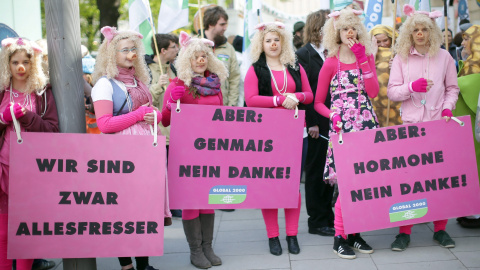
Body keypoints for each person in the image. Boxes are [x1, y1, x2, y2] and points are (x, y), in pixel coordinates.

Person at [91, 26, 167, 270]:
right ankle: (126, 266)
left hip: (146, 147)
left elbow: (147, 111)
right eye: (125, 50)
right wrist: (138, 115)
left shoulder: (139, 80)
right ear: (111, 53)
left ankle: (144, 264)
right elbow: (104, 124)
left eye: (134, 48)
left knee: (144, 207)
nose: (131, 53)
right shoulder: (104, 84)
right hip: (120, 152)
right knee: (122, 211)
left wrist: (152, 114)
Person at [387, 5, 460, 251]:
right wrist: (411, 87)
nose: (420, 33)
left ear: (432, 31)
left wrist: (449, 107)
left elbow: (452, 88)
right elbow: (392, 92)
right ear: (409, 32)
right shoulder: (401, 58)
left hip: (440, 125)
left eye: (424, 29)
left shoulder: (445, 56)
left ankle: (440, 230)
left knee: (440, 181)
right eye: (415, 29)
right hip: (412, 127)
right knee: (409, 182)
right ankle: (404, 233)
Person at [244, 22, 314, 256]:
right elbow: (251, 99)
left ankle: (292, 235)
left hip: (296, 132)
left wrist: (296, 96)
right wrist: (278, 100)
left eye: (277, 39)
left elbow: (310, 95)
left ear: (283, 41)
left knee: (292, 186)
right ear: (261, 44)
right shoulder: (255, 69)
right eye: (268, 40)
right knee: (270, 186)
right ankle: (273, 236)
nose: (273, 44)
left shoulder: (295, 65)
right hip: (266, 136)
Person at [314, 9, 379, 259]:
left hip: (367, 126)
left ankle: (355, 235)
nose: (349, 32)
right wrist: (333, 115)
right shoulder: (331, 62)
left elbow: (372, 92)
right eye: (344, 28)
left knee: (363, 182)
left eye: (352, 27)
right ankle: (339, 237)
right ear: (336, 32)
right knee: (346, 184)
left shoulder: (366, 57)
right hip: (342, 129)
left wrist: (363, 59)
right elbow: (319, 102)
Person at [161, 31, 228, 269]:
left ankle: (208, 247)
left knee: (208, 199)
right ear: (186, 60)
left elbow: (223, 118)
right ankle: (195, 250)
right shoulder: (179, 85)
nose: (201, 60)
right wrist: (171, 103)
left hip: (211, 150)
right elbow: (166, 121)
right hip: (187, 152)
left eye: (204, 56)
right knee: (191, 201)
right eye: (195, 56)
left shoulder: (215, 85)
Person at [0, 37, 59, 270]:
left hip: (34, 168)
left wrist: (27, 116)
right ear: (8, 63)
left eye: (26, 61)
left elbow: (53, 130)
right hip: (4, 164)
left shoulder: (43, 93)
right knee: (3, 231)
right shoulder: (1, 90)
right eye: (15, 62)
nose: (20, 67)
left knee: (26, 229)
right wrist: (2, 120)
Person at [295, 10, 335, 237]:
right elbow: (304, 91)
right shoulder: (303, 55)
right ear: (318, 29)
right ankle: (317, 221)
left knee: (330, 173)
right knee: (315, 172)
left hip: (333, 119)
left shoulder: (333, 53)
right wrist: (311, 123)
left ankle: (328, 216)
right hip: (315, 125)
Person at [454, 25, 480, 228]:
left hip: (473, 124)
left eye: (467, 39)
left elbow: (470, 86)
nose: (463, 43)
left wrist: (456, 83)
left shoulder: (475, 65)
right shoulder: (470, 62)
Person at [203, 6, 240, 107]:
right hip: (199, 106)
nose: (225, 28)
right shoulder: (195, 45)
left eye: (226, 24)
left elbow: (234, 78)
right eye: (222, 24)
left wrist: (232, 105)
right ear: (211, 24)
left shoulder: (229, 48)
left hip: (223, 107)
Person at [369, 25, 402, 127]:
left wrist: (399, 67)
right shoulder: (365, 55)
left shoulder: (400, 53)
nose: (382, 45)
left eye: (385, 40)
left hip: (396, 104)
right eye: (378, 42)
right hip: (375, 103)